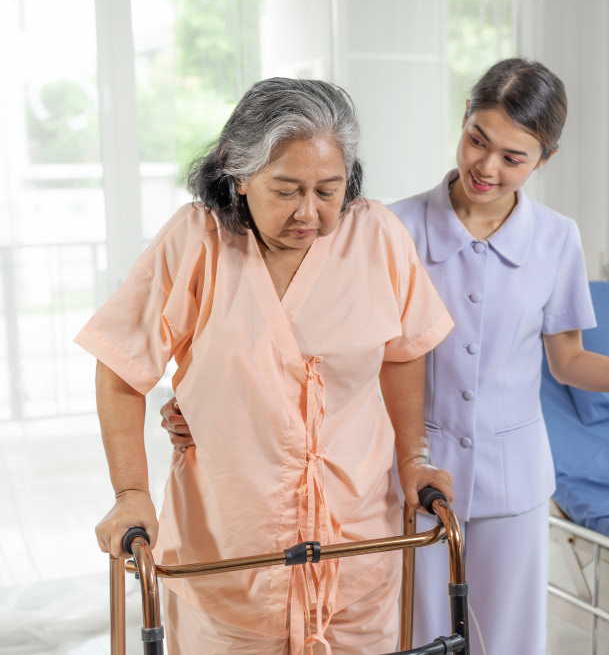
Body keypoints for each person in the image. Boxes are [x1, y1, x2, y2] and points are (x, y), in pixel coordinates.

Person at [164, 60, 609, 655]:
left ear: (544, 160)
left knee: (508, 640)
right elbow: (299, 340)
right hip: (401, 474)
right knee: (415, 636)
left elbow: (568, 362)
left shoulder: (558, 239)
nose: (487, 166)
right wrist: (211, 402)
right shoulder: (387, 225)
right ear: (464, 123)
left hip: (514, 474)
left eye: (513, 156)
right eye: (478, 139)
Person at [77, 78, 455, 655]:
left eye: (329, 189)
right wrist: (131, 492)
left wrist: (413, 459)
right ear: (238, 175)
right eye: (287, 190)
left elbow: (403, 353)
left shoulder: (375, 235)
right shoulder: (195, 242)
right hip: (231, 552)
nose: (311, 212)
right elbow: (122, 368)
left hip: (357, 548)